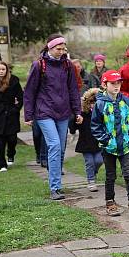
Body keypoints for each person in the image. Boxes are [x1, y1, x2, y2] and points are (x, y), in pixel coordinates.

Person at [23, 34, 82, 200]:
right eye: (58, 49)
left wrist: (77, 111)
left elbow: (73, 90)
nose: (61, 52)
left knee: (61, 149)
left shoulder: (68, 66)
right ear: (50, 47)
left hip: (63, 112)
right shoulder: (38, 65)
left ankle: (55, 174)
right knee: (55, 145)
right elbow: (29, 92)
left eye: (64, 49)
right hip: (44, 112)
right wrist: (28, 114)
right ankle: (55, 188)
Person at [91, 70, 129, 217]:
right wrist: (105, 139)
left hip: (126, 145)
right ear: (104, 84)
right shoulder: (100, 104)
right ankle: (110, 202)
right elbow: (95, 125)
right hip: (108, 147)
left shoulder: (126, 101)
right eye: (113, 83)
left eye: (119, 83)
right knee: (110, 175)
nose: (116, 86)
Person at [0, 61, 23, 172]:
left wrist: (16, 109)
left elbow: (20, 96)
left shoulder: (14, 80)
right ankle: (2, 164)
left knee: (12, 139)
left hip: (11, 114)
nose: (1, 71)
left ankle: (11, 153)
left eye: (3, 69)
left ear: (6, 70)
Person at [69, 88, 103, 192]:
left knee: (99, 161)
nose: (93, 105)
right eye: (91, 102)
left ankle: (93, 172)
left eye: (96, 102)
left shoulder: (102, 114)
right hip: (85, 142)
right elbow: (73, 125)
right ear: (87, 102)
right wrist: (76, 120)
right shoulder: (83, 114)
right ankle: (91, 181)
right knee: (89, 162)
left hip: (99, 143)